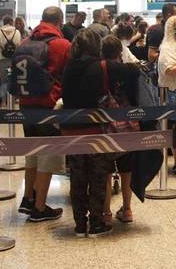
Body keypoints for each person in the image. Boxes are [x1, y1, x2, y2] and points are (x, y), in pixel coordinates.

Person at [17, 6, 70, 222]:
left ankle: (28, 198)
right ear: (60, 21)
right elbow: (69, 75)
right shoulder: (62, 44)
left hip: (25, 105)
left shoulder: (25, 42)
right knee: (48, 155)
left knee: (33, 151)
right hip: (49, 106)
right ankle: (40, 207)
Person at [61, 29, 111, 237]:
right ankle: (96, 221)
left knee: (77, 177)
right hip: (95, 127)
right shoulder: (99, 67)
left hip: (71, 129)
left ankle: (79, 224)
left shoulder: (69, 67)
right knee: (98, 177)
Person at [100, 35, 142, 225]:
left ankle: (106, 212)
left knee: (106, 170)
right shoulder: (131, 71)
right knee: (127, 168)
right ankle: (127, 209)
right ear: (120, 52)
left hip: (106, 124)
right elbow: (137, 97)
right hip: (129, 124)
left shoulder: (100, 70)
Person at [0, 15, 21, 83]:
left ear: (3, 22)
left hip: (2, 59)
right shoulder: (17, 32)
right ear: (11, 22)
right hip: (13, 60)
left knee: (3, 81)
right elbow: (19, 46)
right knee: (12, 81)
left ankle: (3, 93)